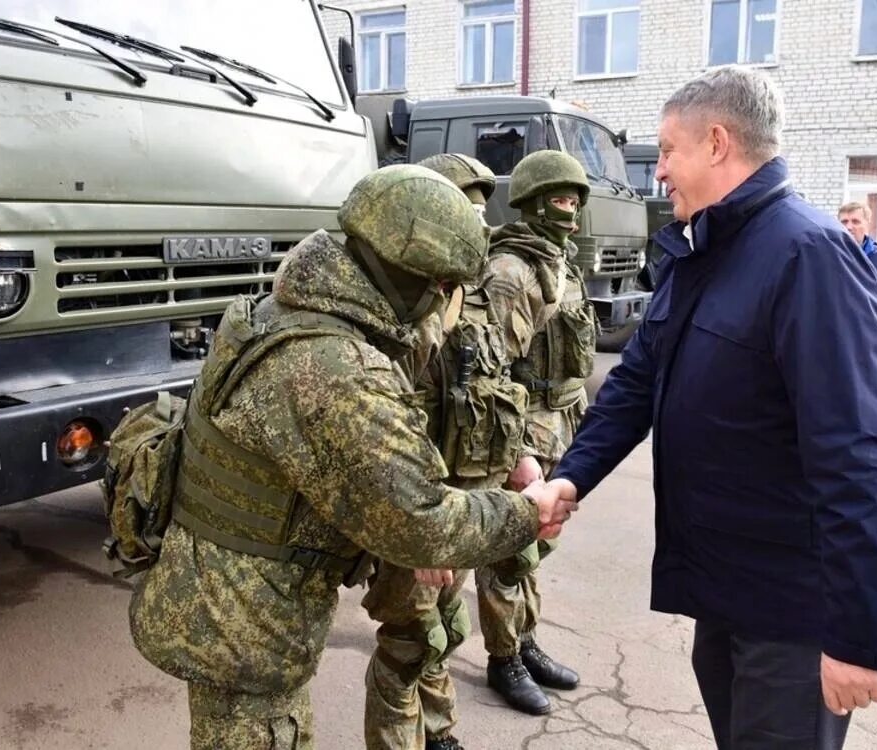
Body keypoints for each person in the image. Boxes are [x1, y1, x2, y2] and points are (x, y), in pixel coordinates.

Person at [127, 165, 576, 750]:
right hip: (243, 628)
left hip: (227, 603)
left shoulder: (292, 310)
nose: (442, 303)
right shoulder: (332, 366)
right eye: (439, 287)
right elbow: (420, 522)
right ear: (397, 272)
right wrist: (527, 511)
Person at [542, 66, 877, 749]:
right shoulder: (705, 248)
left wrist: (859, 635)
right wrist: (570, 476)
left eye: (668, 151)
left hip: (791, 618)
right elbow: (637, 377)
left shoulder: (808, 254)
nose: (660, 173)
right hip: (728, 598)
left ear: (716, 143)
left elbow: (861, 451)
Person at [361, 153, 531, 750]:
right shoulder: (397, 317)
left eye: (483, 214)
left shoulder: (477, 303)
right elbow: (387, 437)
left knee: (445, 629)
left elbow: (507, 383)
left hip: (463, 499)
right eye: (465, 213)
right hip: (418, 506)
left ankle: (439, 735)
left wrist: (521, 454)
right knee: (411, 640)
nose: (479, 228)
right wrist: (421, 537)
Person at [474, 149, 598, 717]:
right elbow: (487, 371)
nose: (569, 208)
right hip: (523, 429)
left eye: (576, 198)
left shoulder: (559, 263)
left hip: (561, 423)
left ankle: (525, 641)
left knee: (538, 547)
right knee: (509, 554)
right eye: (559, 197)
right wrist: (518, 450)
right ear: (530, 202)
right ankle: (504, 659)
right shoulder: (512, 270)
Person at [838, 201, 877, 346]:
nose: (849, 227)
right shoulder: (830, 255)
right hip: (838, 339)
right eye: (844, 222)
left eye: (855, 221)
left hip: (871, 341)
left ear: (867, 225)